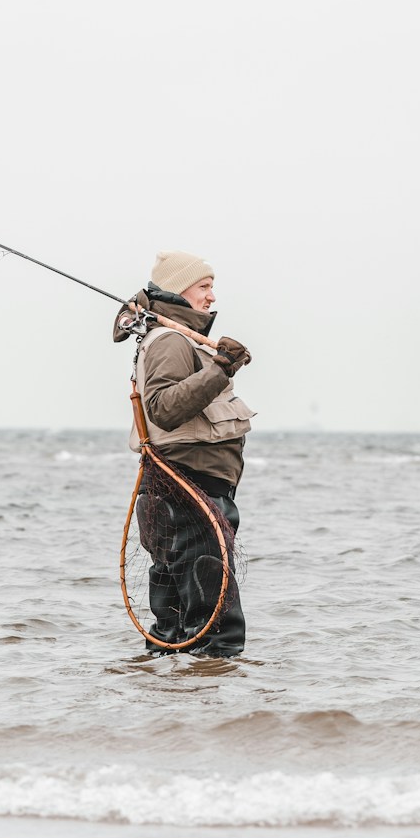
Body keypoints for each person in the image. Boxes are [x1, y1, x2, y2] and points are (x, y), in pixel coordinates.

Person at [114, 250, 253, 656]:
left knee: (176, 624)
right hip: (190, 488)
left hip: (177, 488)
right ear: (178, 289)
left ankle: (175, 704)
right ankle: (214, 709)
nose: (211, 297)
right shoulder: (171, 341)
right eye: (204, 287)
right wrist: (221, 369)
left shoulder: (171, 338)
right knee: (215, 629)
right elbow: (164, 408)